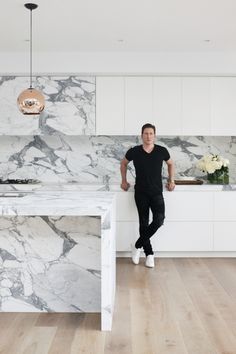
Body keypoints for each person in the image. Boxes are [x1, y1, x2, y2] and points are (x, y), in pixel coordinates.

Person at [120, 123, 175, 268]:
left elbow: (170, 164)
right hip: (141, 193)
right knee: (143, 224)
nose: (148, 136)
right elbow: (124, 163)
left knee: (159, 220)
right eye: (146, 133)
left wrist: (171, 180)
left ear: (155, 135)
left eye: (151, 133)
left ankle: (137, 245)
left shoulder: (162, 151)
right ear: (141, 135)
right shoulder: (135, 151)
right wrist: (124, 181)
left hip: (157, 192)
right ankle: (149, 254)